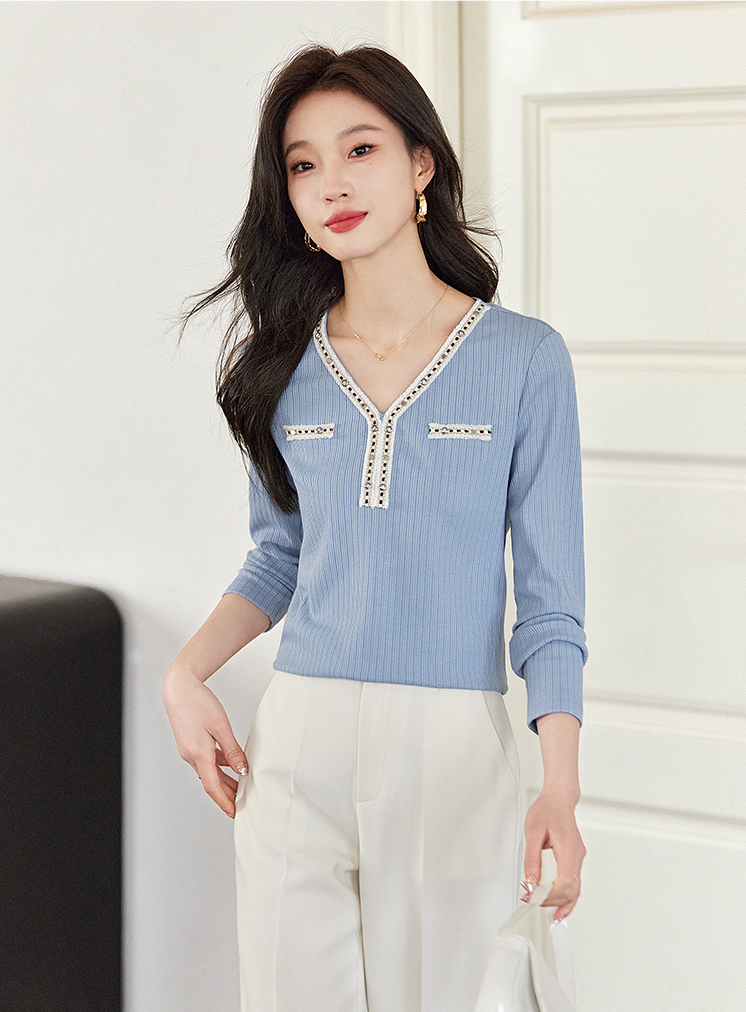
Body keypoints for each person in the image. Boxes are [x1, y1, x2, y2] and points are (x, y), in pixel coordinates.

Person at [162, 43, 587, 1012]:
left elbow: (551, 603)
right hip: (298, 745)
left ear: (420, 163)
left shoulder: (525, 359)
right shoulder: (279, 368)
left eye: (360, 149)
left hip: (453, 755)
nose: (332, 183)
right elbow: (280, 555)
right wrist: (185, 673)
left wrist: (557, 786)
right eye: (303, 164)